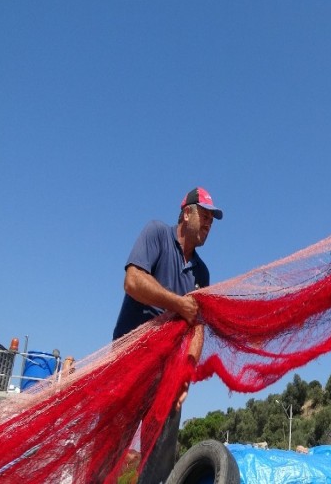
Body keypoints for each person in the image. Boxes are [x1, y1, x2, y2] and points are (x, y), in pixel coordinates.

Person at [113, 186, 223, 483]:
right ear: (187, 213)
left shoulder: (202, 273)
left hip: (167, 370)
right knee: (111, 445)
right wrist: (178, 303)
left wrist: (186, 372)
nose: (209, 224)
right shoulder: (156, 233)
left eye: (213, 219)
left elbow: (197, 325)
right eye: (205, 215)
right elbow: (133, 281)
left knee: (160, 453)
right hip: (128, 361)